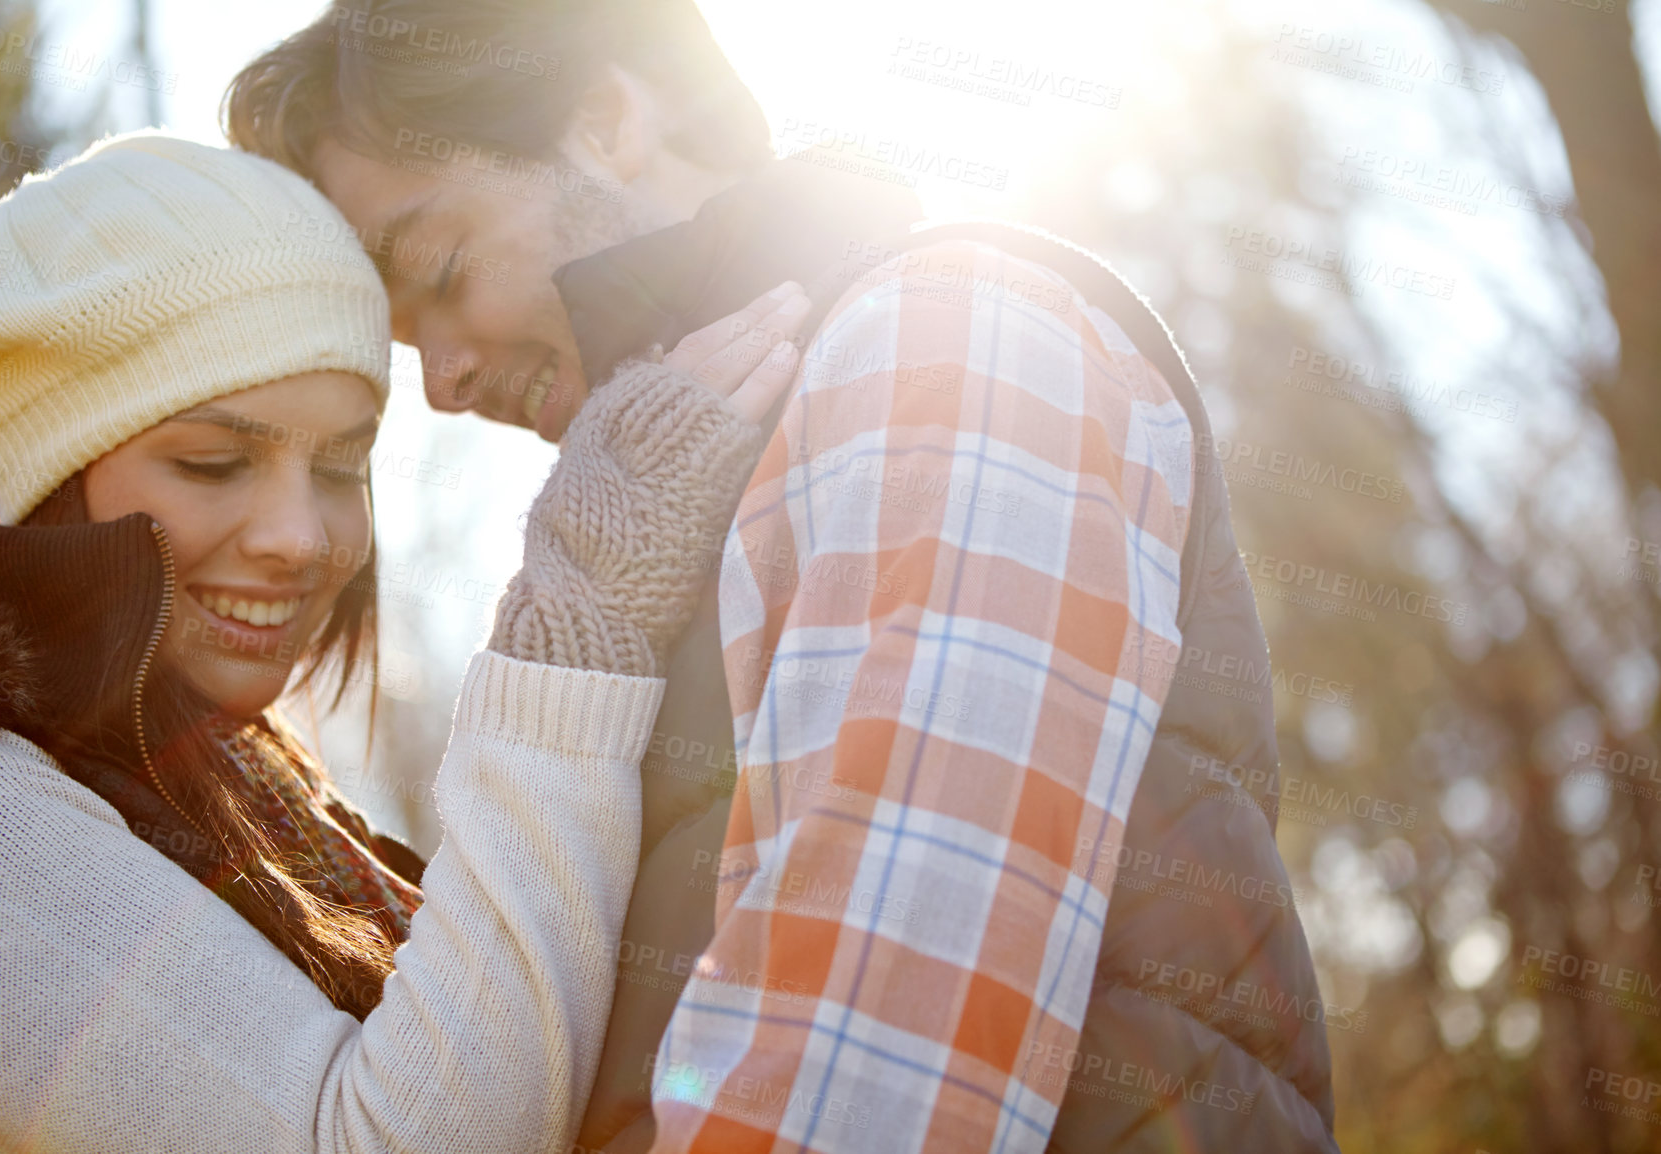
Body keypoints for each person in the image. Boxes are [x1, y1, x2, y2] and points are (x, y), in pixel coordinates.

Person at [227, 3, 1340, 1151]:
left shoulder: (949, 339)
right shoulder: (675, 508)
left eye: (441, 271)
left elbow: (877, 1063)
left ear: (609, 118)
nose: (444, 382)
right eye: (410, 345)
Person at [0, 131, 808, 1153]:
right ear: (46, 476)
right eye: (214, 461)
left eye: (342, 468)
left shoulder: (261, 790)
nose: (303, 539)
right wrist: (578, 621)